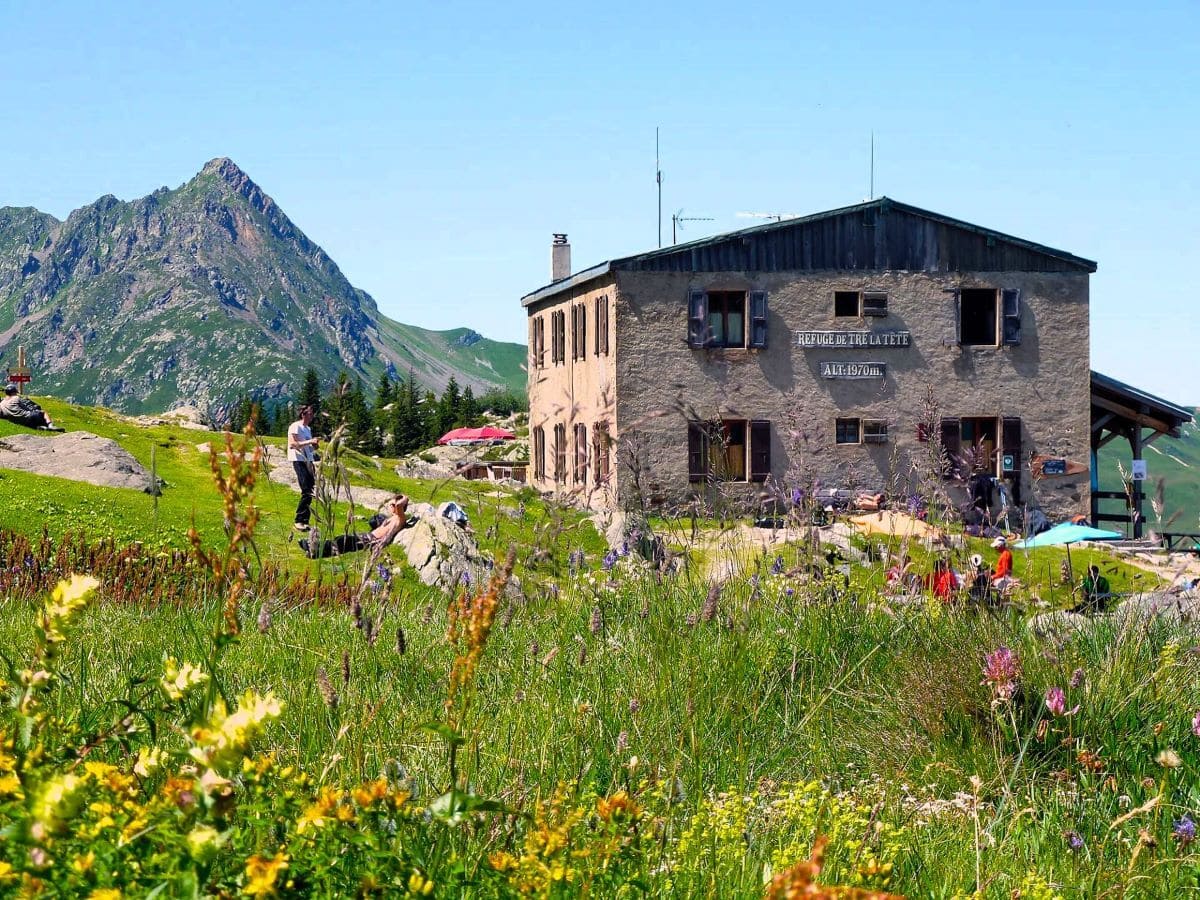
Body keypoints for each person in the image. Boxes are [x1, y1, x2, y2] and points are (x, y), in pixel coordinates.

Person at [301, 495, 411, 559]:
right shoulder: (392, 517)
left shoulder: (400, 518)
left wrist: (405, 498)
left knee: (343, 541)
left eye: (392, 505)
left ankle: (314, 548)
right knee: (342, 542)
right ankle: (315, 552)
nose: (391, 506)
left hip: (371, 540)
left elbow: (399, 505)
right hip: (367, 536)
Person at [288, 405, 319, 531]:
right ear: (303, 414)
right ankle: (299, 520)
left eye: (312, 414)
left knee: (311, 489)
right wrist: (310, 441)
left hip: (308, 460)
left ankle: (305, 520)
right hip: (298, 459)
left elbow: (308, 447)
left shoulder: (307, 429)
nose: (311, 416)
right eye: (310, 414)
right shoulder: (295, 426)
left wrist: (314, 446)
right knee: (306, 489)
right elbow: (293, 444)